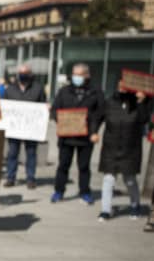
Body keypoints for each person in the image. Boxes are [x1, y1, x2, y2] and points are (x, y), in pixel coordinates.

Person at [95, 87, 151, 221]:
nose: (122, 88)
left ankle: (135, 205)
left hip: (130, 148)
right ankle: (105, 210)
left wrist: (142, 101)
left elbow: (144, 119)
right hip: (110, 147)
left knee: (130, 180)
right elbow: (97, 117)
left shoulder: (137, 104)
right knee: (108, 179)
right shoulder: (109, 102)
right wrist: (93, 131)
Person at [50, 63, 104, 204]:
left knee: (84, 166)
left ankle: (85, 192)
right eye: (74, 74)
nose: (76, 77)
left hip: (86, 137)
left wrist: (94, 131)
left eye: (80, 74)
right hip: (66, 137)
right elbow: (55, 109)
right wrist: (60, 120)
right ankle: (58, 191)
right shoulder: (64, 91)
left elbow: (99, 113)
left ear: (87, 75)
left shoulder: (95, 92)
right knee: (63, 165)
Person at [4, 63, 47, 189]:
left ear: (30, 74)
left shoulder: (38, 88)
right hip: (14, 128)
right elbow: (4, 106)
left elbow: (43, 104)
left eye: (25, 73)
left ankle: (30, 178)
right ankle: (10, 178)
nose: (23, 75)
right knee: (12, 153)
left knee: (31, 153)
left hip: (31, 129)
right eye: (21, 73)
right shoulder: (10, 89)